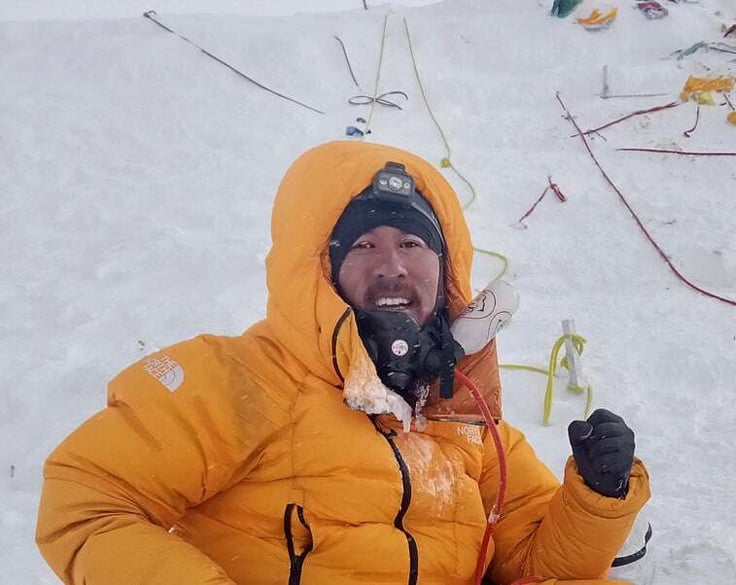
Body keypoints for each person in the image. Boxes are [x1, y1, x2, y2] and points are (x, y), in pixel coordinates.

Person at [36, 142, 650, 585]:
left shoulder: (463, 413)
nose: (393, 266)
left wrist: (597, 499)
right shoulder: (241, 380)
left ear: (446, 272)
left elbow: (535, 566)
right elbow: (87, 499)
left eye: (413, 244)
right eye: (363, 245)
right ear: (319, 268)